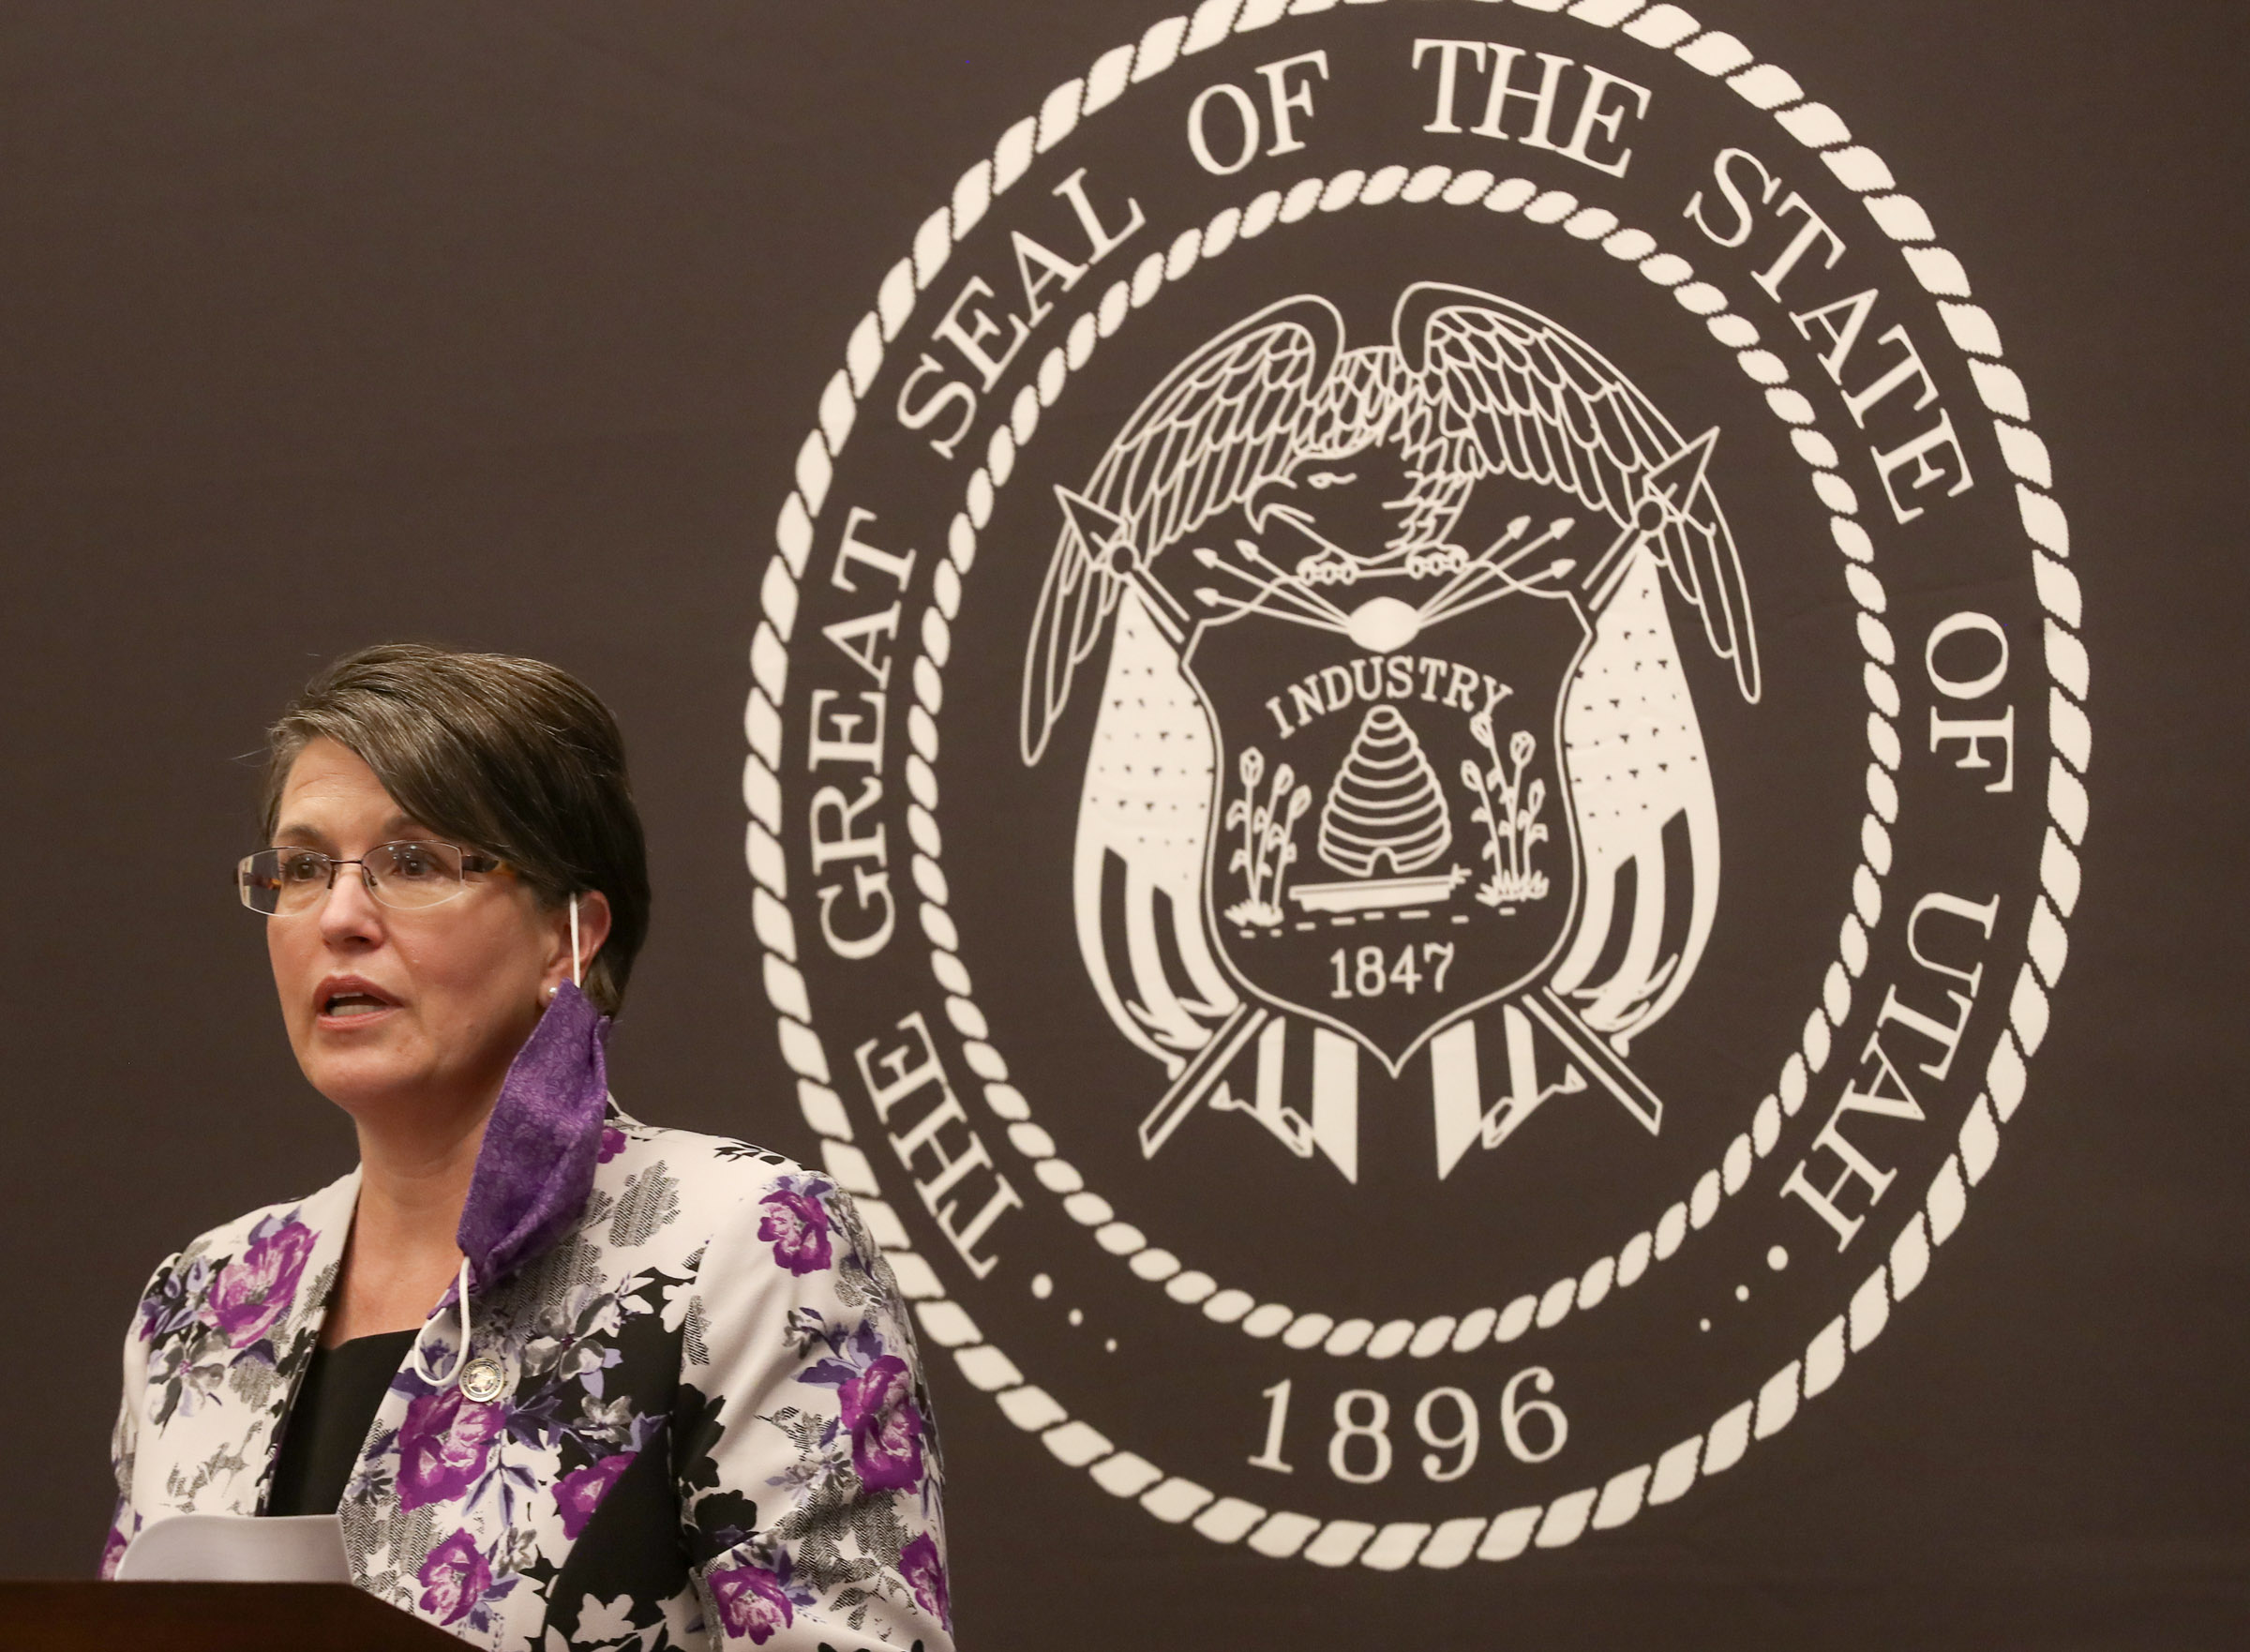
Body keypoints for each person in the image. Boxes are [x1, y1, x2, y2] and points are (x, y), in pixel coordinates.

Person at [102, 643, 953, 1650]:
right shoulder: (203, 1300)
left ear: (569, 936)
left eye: (412, 861)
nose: (337, 917)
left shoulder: (748, 1244)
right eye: (298, 869)